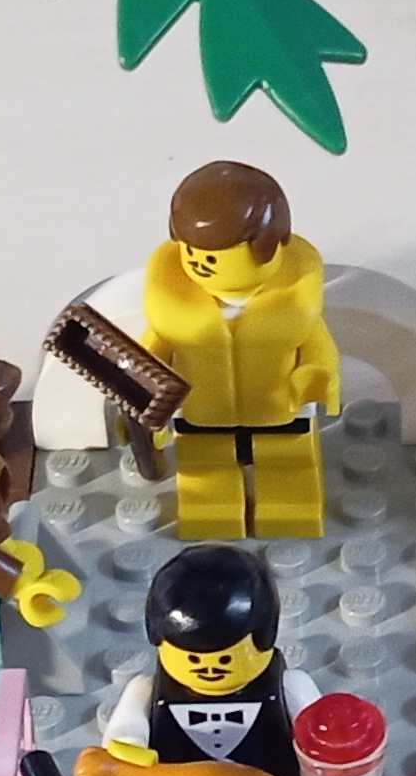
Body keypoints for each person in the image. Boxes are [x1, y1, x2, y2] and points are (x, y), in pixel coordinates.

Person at [138, 160, 338, 540]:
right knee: (206, 482)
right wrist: (142, 404)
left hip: (280, 413)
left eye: (213, 257)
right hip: (202, 417)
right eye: (191, 252)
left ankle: (290, 514)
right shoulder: (172, 306)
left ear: (267, 246)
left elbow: (317, 342)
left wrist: (318, 374)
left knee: (289, 477)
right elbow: (149, 356)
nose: (200, 263)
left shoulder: (294, 301)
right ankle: (211, 517)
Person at [96, 545, 306, 776]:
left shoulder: (289, 685)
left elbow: (317, 734)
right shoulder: (145, 689)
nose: (208, 668)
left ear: (265, 637)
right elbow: (127, 726)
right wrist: (130, 749)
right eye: (193, 658)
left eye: (225, 659)